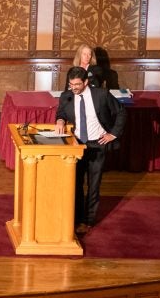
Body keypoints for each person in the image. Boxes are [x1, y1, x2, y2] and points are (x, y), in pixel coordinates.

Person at [54, 66, 126, 235]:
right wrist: (60, 120)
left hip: (97, 145)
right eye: (71, 84)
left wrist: (113, 134)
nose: (74, 88)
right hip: (77, 146)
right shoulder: (67, 96)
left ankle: (88, 221)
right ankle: (77, 218)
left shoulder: (101, 95)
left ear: (86, 82)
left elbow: (121, 112)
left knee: (93, 185)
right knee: (76, 184)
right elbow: (61, 112)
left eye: (77, 84)